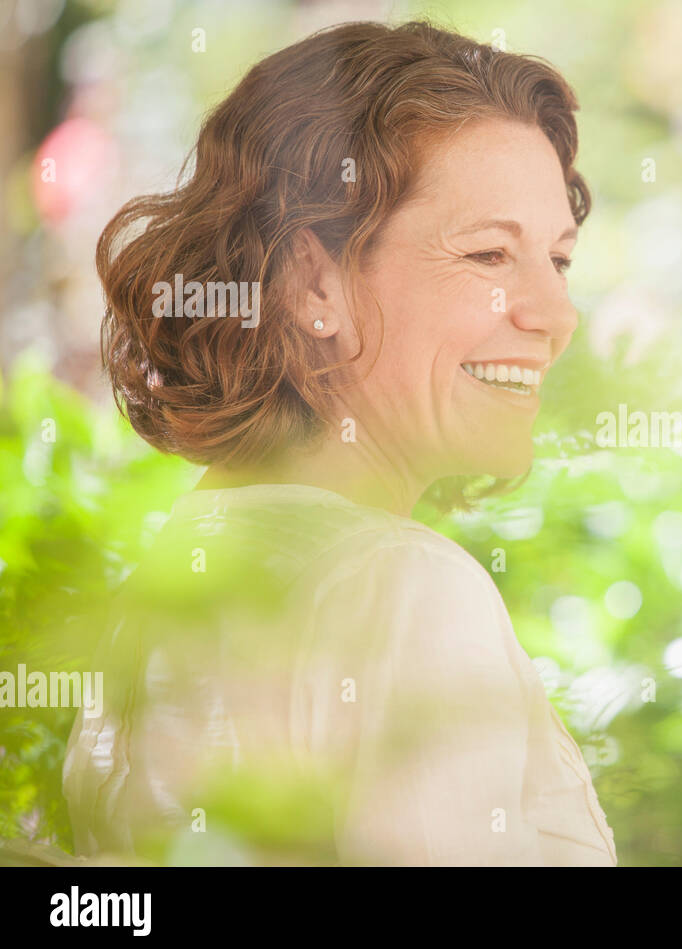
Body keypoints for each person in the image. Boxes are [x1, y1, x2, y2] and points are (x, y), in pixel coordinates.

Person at [61, 20, 616, 866]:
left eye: (559, 259)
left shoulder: (168, 580)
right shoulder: (406, 587)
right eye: (490, 253)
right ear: (311, 282)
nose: (555, 314)